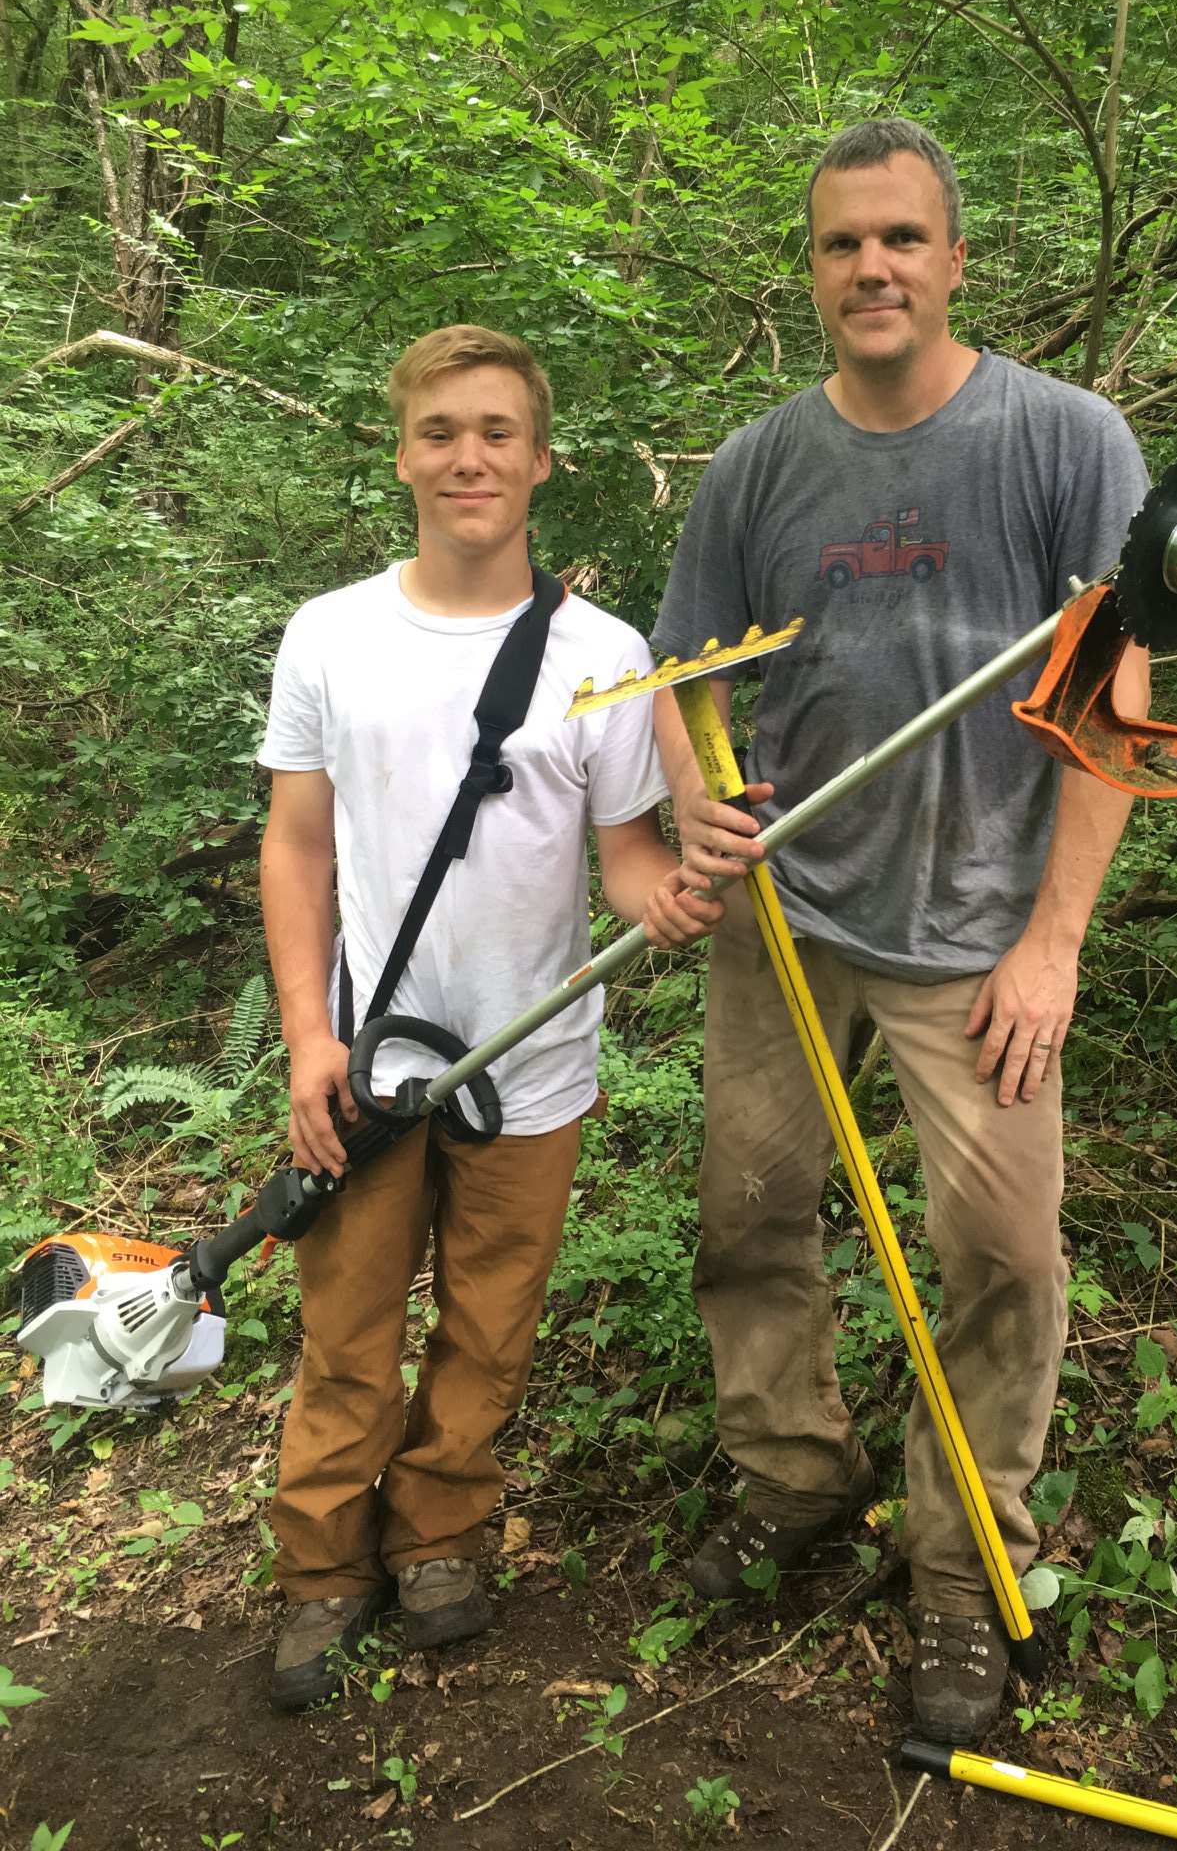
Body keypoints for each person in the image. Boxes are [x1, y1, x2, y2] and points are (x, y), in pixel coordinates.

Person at [651, 119, 1150, 1745]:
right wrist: (697, 804)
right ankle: (794, 1473)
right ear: (811, 271)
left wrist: (1054, 943)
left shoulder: (1064, 441)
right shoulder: (757, 465)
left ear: (954, 260)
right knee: (748, 1215)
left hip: (981, 935)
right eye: (840, 243)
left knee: (1003, 1258)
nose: (871, 267)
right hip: (787, 922)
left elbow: (1116, 702)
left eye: (900, 239)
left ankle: (960, 1560)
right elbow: (686, 678)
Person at [257, 324, 716, 1710]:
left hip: (537, 1062)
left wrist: (672, 898)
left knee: (490, 1324)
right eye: (442, 432)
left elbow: (625, 854)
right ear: (402, 455)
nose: (470, 458)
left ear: (541, 459)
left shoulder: (606, 655)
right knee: (348, 1329)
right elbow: (297, 846)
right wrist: (308, 1038)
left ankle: (443, 1531)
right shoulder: (332, 635)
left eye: (497, 433)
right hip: (372, 1057)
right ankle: (323, 1567)